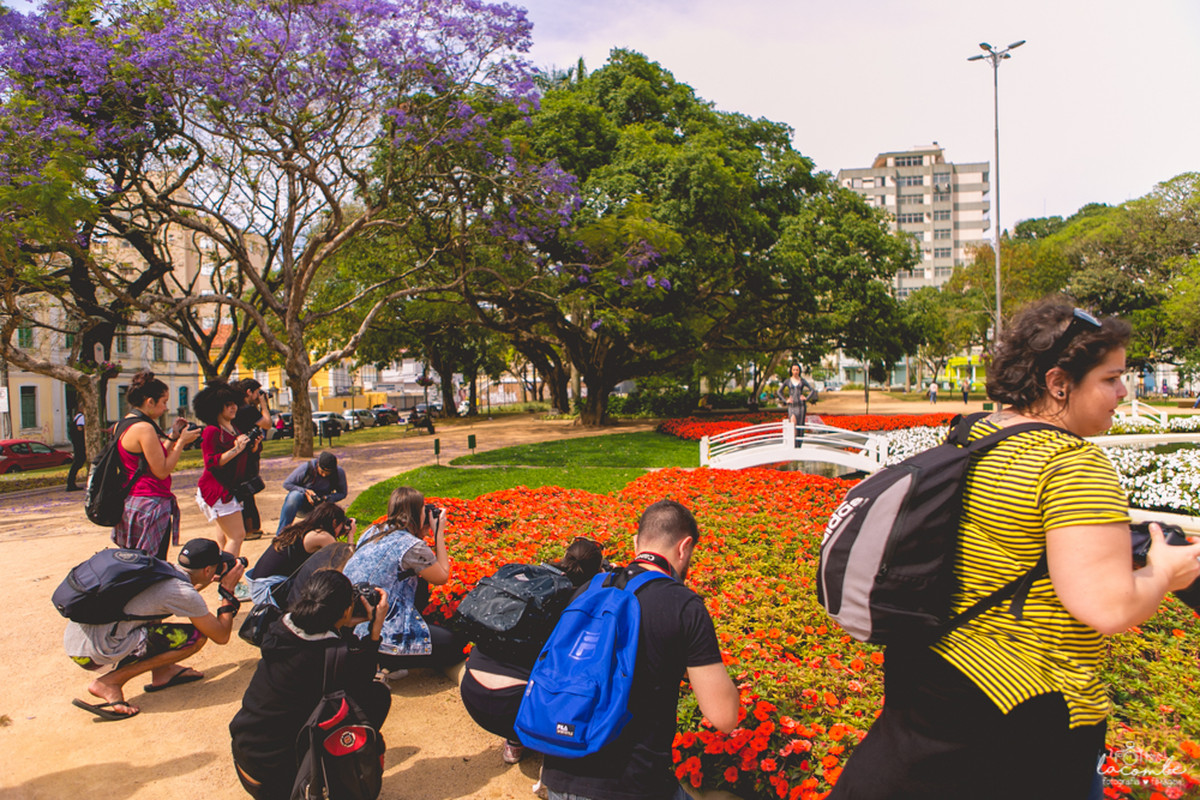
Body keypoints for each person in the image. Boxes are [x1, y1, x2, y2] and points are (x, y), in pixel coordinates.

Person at [829, 301, 1200, 800]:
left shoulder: (979, 434)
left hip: (934, 674)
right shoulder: (1072, 464)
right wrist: (1164, 572)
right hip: (1026, 702)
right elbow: (1107, 605)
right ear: (1058, 382)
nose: (1123, 392)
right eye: (1111, 378)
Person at [541, 500, 739, 800]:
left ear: (636, 543)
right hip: (632, 785)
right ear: (684, 547)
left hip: (560, 776)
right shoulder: (684, 605)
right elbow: (724, 717)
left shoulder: (587, 589)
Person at [230, 570, 390, 799]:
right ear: (345, 609)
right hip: (277, 781)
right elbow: (363, 685)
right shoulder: (330, 656)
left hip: (246, 758)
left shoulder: (279, 628)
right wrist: (374, 631)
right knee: (376, 697)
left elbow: (319, 646)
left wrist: (342, 623)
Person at [460, 538, 606, 765]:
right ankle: (549, 757)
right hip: (513, 706)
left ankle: (514, 742)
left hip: (471, 689)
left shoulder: (536, 583)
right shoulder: (573, 601)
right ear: (596, 570)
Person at [65, 538, 245, 721]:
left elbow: (178, 596)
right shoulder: (182, 592)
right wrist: (228, 590)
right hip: (95, 653)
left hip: (78, 641)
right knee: (195, 637)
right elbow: (221, 635)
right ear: (207, 570)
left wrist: (206, 581)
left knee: (154, 613)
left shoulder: (160, 569)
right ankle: (110, 682)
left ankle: (163, 671)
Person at [343, 485, 465, 673]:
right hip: (382, 636)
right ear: (416, 513)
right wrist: (438, 533)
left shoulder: (372, 531)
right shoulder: (410, 546)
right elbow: (442, 577)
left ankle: (386, 660)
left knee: (418, 577)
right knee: (456, 645)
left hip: (351, 628)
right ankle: (388, 663)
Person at [112, 370, 201, 559]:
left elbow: (149, 459)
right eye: (164, 402)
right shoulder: (144, 429)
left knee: (134, 562)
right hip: (150, 504)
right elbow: (161, 470)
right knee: (153, 563)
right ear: (149, 401)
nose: (166, 408)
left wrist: (173, 437)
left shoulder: (124, 423)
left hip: (132, 502)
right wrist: (182, 443)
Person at [245, 502, 351, 606]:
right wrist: (351, 534)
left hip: (259, 585)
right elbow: (344, 561)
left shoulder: (303, 528)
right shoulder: (321, 536)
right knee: (326, 585)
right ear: (334, 522)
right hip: (268, 591)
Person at [194, 379, 255, 558]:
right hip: (216, 489)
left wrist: (251, 447)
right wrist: (237, 448)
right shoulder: (212, 431)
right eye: (228, 405)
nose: (233, 408)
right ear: (216, 408)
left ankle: (222, 570)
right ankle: (227, 573)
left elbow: (239, 457)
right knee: (237, 535)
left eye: (234, 403)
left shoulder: (233, 428)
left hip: (229, 488)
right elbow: (211, 462)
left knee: (225, 533)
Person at [232, 378, 273, 541]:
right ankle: (250, 528)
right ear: (249, 392)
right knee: (247, 491)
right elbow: (267, 424)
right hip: (246, 456)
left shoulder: (237, 408)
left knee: (245, 492)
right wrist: (263, 404)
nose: (258, 395)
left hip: (244, 452)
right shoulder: (246, 409)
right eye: (257, 393)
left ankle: (249, 527)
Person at [275, 452, 348, 536]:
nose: (324, 475)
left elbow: (343, 493)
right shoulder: (307, 467)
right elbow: (287, 483)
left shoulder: (339, 472)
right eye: (322, 471)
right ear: (317, 465)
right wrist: (305, 491)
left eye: (328, 473)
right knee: (294, 496)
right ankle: (281, 534)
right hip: (302, 502)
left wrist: (328, 497)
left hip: (322, 505)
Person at [66, 407, 86, 491]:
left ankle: (71, 483)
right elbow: (80, 428)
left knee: (78, 462)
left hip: (77, 443)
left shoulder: (76, 417)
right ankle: (70, 484)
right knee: (78, 462)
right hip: (79, 444)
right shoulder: (81, 417)